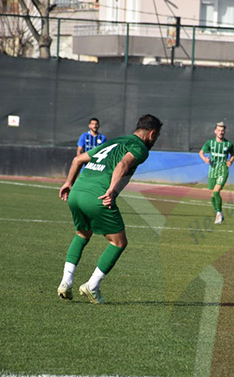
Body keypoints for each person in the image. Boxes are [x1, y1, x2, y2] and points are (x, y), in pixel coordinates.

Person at [57, 114, 163, 304]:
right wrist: (112, 190)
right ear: (152, 134)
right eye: (156, 137)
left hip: (77, 192)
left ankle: (66, 282)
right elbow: (123, 164)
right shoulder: (140, 147)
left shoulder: (115, 141)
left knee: (82, 234)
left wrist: (68, 183)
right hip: (98, 196)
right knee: (118, 243)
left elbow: (77, 160)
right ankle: (92, 286)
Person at [199, 121, 234, 225]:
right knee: (211, 194)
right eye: (218, 130)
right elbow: (201, 153)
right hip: (212, 171)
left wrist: (230, 161)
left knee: (216, 192)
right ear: (215, 131)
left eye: (222, 130)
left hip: (223, 170)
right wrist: (204, 159)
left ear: (225, 132)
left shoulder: (228, 144)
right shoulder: (210, 143)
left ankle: (219, 213)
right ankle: (218, 213)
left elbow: (233, 155)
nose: (220, 132)